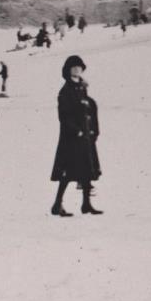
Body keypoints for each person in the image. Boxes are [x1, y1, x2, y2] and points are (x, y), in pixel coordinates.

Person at [50, 55, 102, 217]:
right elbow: (64, 116)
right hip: (71, 139)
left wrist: (93, 130)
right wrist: (76, 131)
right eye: (73, 67)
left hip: (86, 137)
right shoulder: (65, 91)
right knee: (68, 172)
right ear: (68, 70)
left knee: (87, 169)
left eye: (79, 67)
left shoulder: (82, 88)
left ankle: (86, 204)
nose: (77, 70)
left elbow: (89, 110)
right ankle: (57, 204)